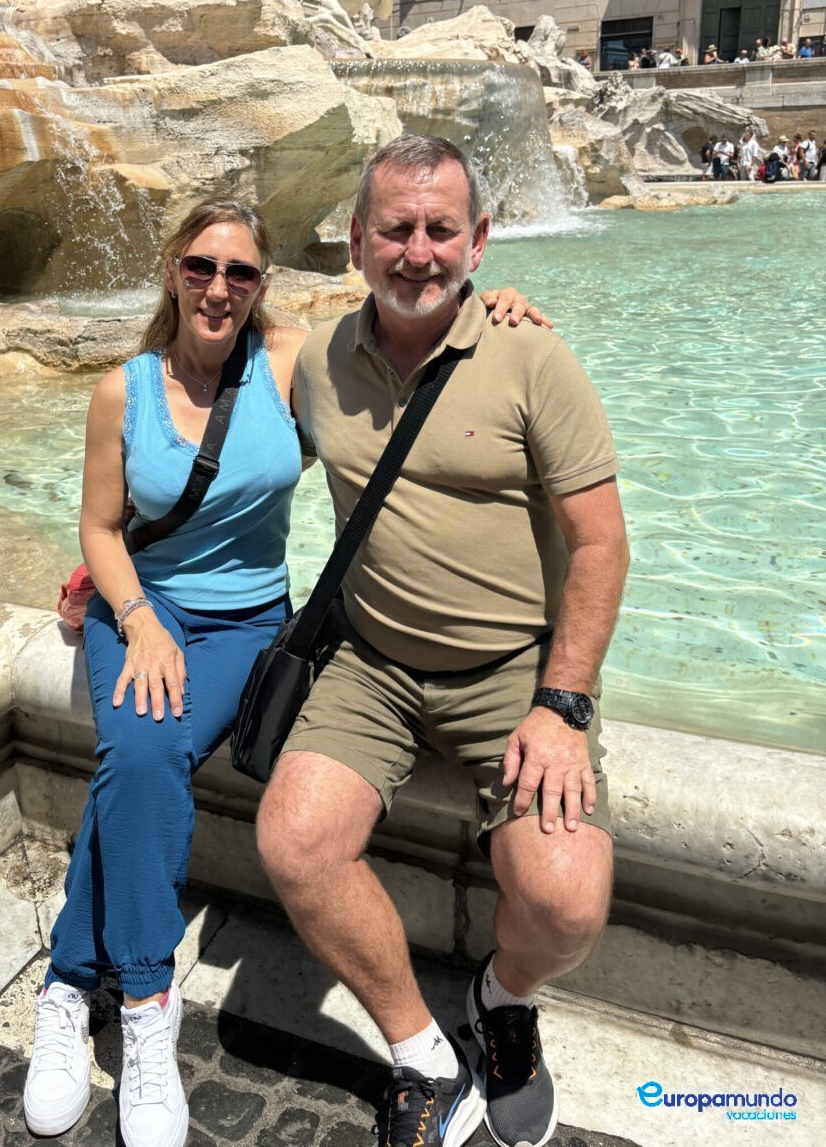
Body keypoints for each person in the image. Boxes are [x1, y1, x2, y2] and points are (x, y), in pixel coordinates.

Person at [21, 195, 543, 1146]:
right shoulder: (121, 391)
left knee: (142, 762)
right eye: (201, 268)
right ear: (174, 272)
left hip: (246, 625)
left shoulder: (291, 363)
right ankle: (142, 1009)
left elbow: (408, 326)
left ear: (262, 286)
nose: (219, 288)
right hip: (139, 610)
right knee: (139, 758)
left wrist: (488, 302)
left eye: (241, 273)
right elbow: (101, 527)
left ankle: (66, 980)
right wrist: (133, 616)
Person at [256, 135, 628, 1147]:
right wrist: (112, 556)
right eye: (396, 230)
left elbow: (600, 544)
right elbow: (203, 404)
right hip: (370, 667)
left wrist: (562, 706)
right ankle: (423, 1052)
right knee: (293, 842)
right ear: (355, 242)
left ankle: (502, 1002)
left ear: (480, 241)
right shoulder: (319, 360)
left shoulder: (531, 355)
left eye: (440, 231)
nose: (417, 252)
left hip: (513, 673)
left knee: (564, 904)